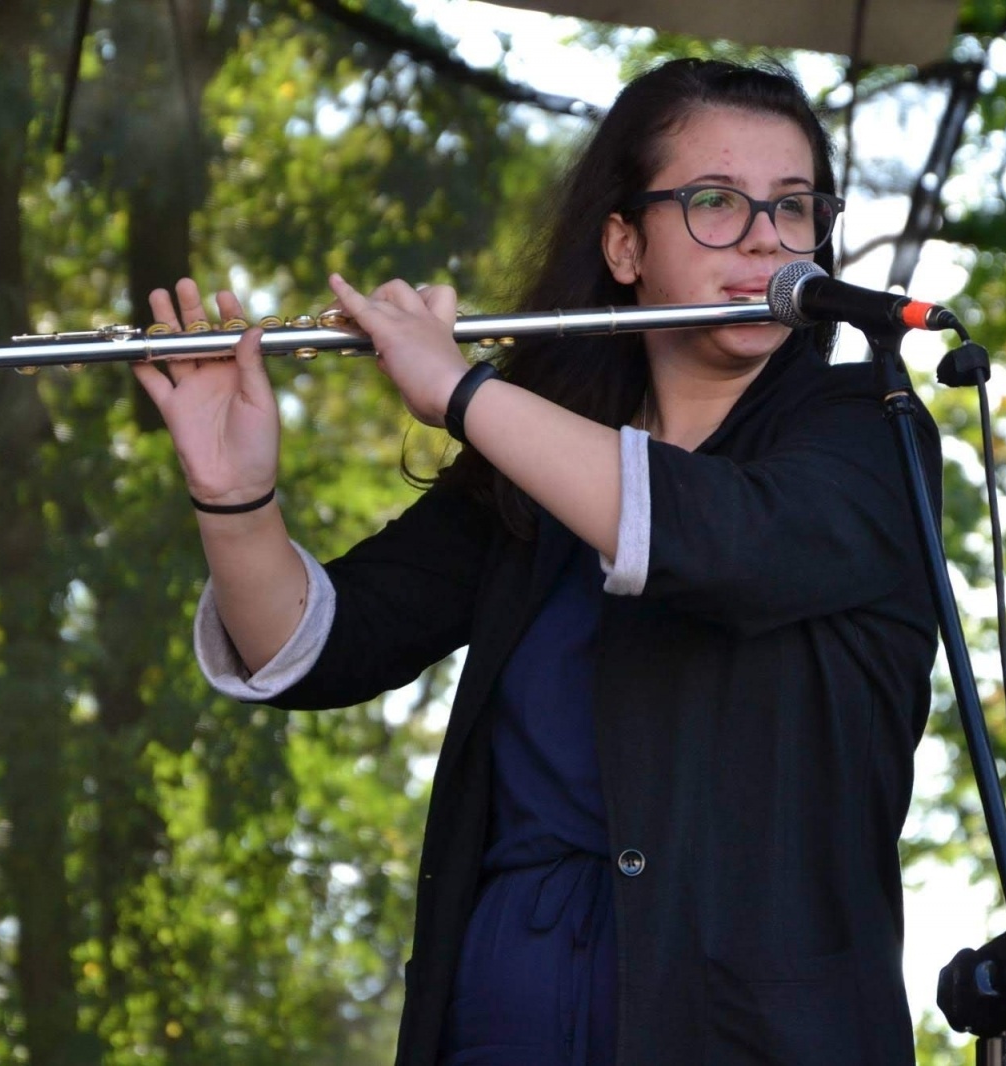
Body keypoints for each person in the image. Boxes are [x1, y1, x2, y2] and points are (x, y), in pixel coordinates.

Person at [133, 57, 942, 1065]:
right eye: (713, 204)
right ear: (621, 244)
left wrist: (459, 391)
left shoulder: (866, 434)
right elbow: (322, 643)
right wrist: (234, 495)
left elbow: (721, 540)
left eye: (792, 207)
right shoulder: (535, 467)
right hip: (504, 1017)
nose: (764, 241)